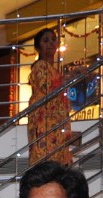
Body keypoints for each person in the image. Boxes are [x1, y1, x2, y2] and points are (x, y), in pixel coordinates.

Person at [27, 28, 74, 167]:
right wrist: (73, 75)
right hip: (44, 119)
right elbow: (47, 87)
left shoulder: (54, 69)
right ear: (38, 47)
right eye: (45, 40)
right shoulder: (40, 66)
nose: (50, 43)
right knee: (46, 155)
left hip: (55, 119)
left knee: (56, 155)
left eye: (53, 40)